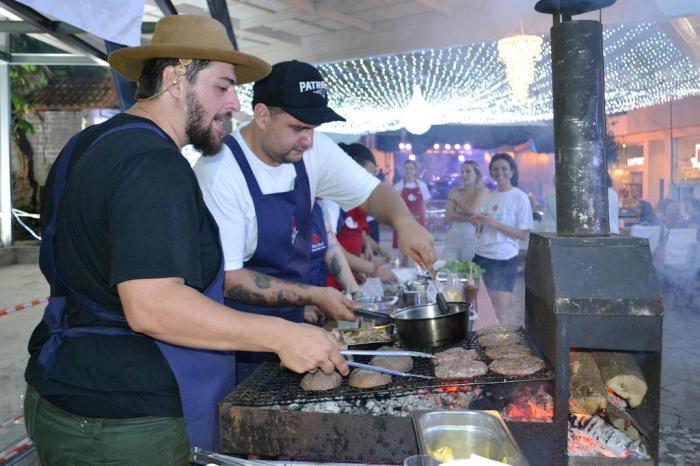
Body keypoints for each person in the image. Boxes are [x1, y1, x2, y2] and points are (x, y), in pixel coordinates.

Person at [22, 16, 351, 465]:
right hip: (126, 420)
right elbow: (153, 306)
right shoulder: (154, 164)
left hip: (57, 392)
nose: (235, 102)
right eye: (222, 87)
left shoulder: (89, 144)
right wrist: (281, 335)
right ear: (176, 79)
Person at [194, 60, 434, 383]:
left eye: (313, 128)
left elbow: (372, 193)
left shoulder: (310, 150)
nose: (308, 139)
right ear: (262, 115)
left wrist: (403, 221)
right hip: (239, 345)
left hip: (297, 331)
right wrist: (314, 294)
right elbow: (229, 278)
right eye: (297, 128)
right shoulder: (221, 170)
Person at [473, 153, 533, 325]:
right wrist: (480, 222)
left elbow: (523, 234)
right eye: (495, 169)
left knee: (499, 310)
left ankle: (500, 348)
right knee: (481, 308)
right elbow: (485, 227)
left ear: (512, 172)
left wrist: (494, 223)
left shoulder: (520, 197)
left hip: (503, 258)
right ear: (491, 172)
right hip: (481, 256)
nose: (500, 172)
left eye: (504, 168)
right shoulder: (490, 196)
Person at [305, 200, 360, 325]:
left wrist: (356, 294)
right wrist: (301, 304)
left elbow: (332, 249)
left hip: (317, 305)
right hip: (283, 314)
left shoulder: (320, 209)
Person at [442, 161, 488, 262]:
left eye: (468, 171)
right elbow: (449, 214)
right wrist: (468, 218)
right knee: (449, 270)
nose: (464, 175)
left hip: (472, 238)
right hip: (453, 237)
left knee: (468, 272)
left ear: (477, 174)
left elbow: (473, 210)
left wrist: (457, 199)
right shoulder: (455, 191)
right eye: (462, 172)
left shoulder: (483, 191)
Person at [393, 159, 431, 248]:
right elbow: (394, 205)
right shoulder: (398, 186)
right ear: (403, 170)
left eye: (411, 168)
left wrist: (421, 216)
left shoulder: (422, 185)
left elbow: (425, 202)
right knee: (403, 249)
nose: (409, 171)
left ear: (415, 171)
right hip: (403, 222)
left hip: (418, 221)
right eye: (406, 169)